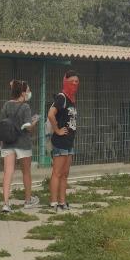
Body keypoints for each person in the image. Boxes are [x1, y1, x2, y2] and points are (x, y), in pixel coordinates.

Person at [0, 79, 38, 212]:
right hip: (23, 144)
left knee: (7, 173)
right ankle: (27, 201)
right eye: (27, 91)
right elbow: (28, 128)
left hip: (7, 143)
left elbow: (2, 124)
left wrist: (1, 143)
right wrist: (34, 122)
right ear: (22, 92)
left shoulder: (6, 105)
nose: (29, 93)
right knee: (26, 172)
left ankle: (6, 203)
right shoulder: (25, 107)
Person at [47, 70, 79, 211]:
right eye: (72, 82)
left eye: (77, 82)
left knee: (65, 174)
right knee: (57, 172)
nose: (75, 84)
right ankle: (53, 202)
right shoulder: (62, 97)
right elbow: (51, 115)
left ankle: (62, 201)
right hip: (60, 141)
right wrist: (57, 130)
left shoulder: (72, 99)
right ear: (65, 82)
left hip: (69, 141)